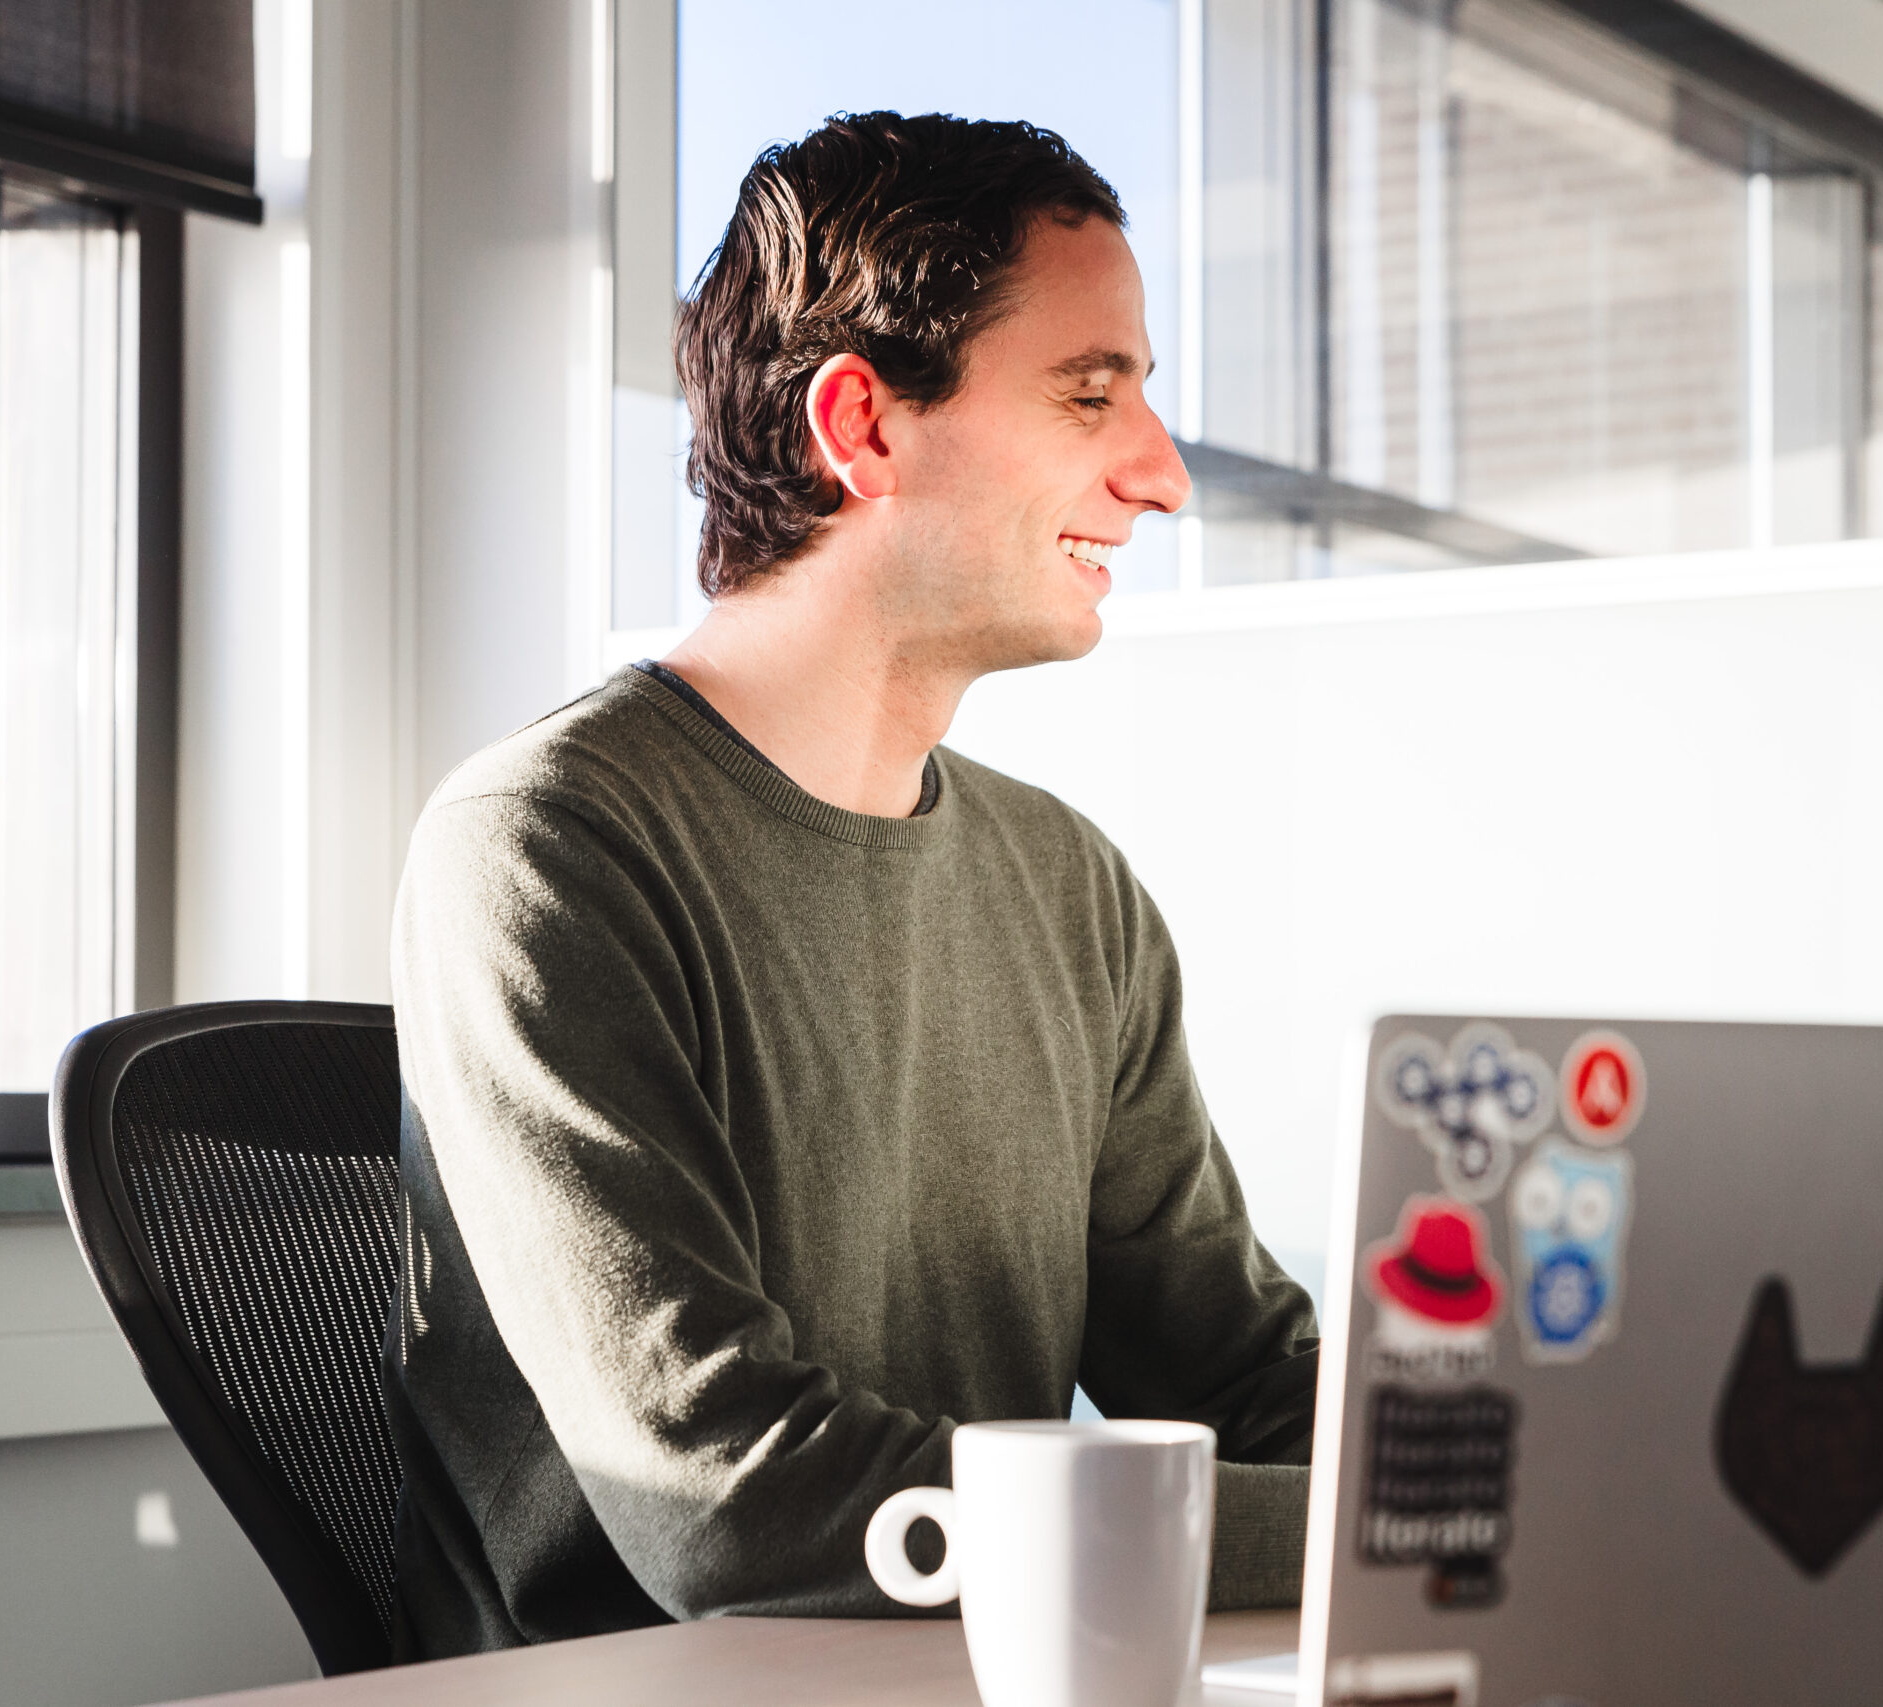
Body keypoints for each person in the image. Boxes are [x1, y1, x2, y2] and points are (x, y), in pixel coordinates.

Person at [382, 110, 1318, 1660]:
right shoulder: (544, 849)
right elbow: (729, 1503)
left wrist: (1495, 1472)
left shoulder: (1070, 888)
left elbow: (1241, 1379)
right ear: (864, 426)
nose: (1160, 476)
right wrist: (1381, 1529)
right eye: (1091, 394)